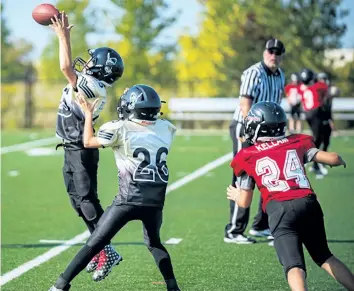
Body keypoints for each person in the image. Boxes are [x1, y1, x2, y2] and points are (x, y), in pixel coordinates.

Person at [49, 84, 181, 291]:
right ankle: (173, 288)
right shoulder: (166, 129)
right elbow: (145, 124)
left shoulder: (118, 128)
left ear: (130, 107)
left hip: (128, 200)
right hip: (155, 202)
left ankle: (60, 285)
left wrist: (88, 113)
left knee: (95, 243)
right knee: (155, 243)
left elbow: (88, 141)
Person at [227, 101, 354, 291]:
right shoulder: (297, 142)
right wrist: (338, 160)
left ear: (256, 127)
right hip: (309, 203)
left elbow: (245, 202)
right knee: (324, 256)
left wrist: (236, 195)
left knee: (294, 265)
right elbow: (332, 158)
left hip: (280, 209)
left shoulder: (247, 155)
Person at [50, 12, 124, 276]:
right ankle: (99, 247)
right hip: (71, 148)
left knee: (87, 200)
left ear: (100, 68)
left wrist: (63, 36)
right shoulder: (91, 83)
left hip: (81, 150)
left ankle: (106, 248)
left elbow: (65, 68)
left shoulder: (93, 85)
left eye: (94, 60)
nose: (89, 61)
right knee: (77, 202)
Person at [226, 38, 285, 244]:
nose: (274, 56)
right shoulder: (254, 73)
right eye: (271, 51)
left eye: (278, 53)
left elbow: (276, 103)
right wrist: (248, 134)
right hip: (246, 128)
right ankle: (234, 230)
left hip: (268, 131)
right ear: (264, 52)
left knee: (268, 174)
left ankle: (261, 225)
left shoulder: (280, 76)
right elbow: (245, 104)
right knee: (243, 175)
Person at [299, 69, 328, 176]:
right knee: (317, 138)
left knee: (318, 138)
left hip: (308, 114)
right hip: (315, 113)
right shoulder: (317, 86)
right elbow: (325, 87)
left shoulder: (302, 88)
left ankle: (313, 161)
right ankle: (307, 158)